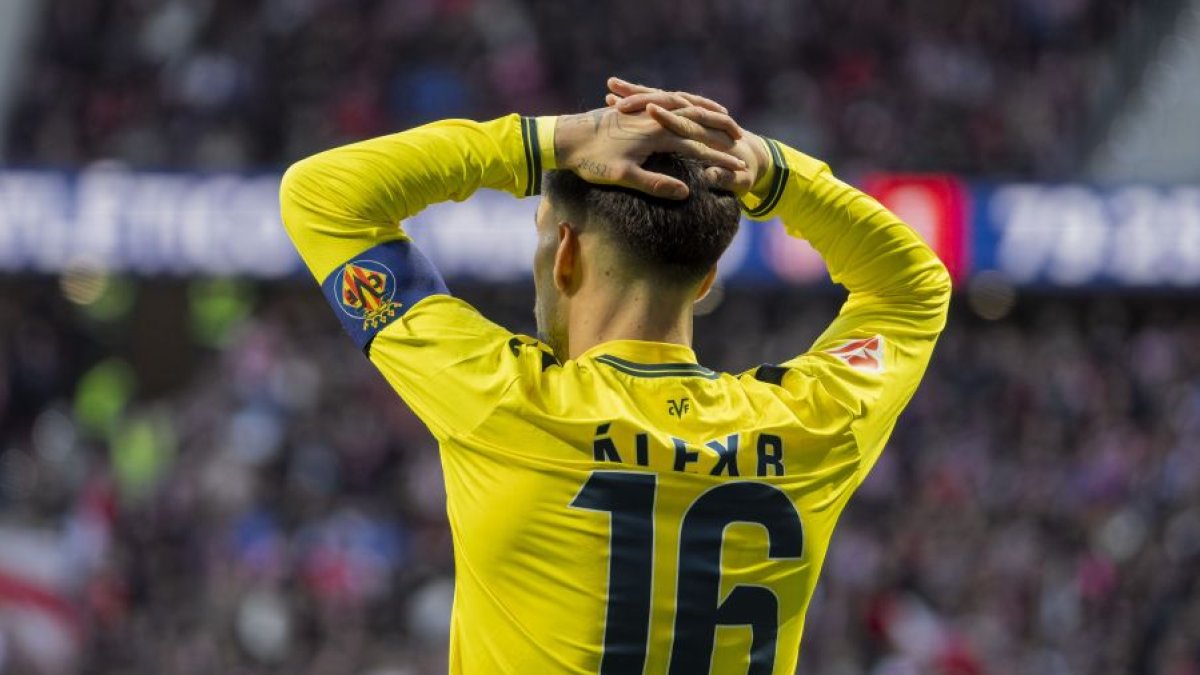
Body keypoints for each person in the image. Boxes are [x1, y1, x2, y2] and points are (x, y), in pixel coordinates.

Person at [279, 77, 951, 674]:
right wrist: (767, 167)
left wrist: (554, 139)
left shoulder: (506, 400)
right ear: (707, 278)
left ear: (563, 251)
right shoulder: (806, 426)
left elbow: (322, 197)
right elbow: (912, 287)